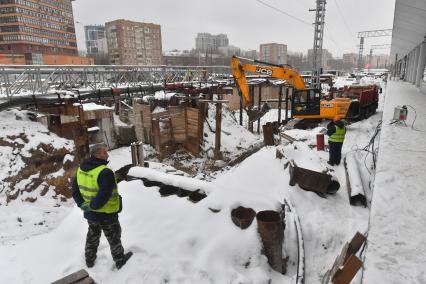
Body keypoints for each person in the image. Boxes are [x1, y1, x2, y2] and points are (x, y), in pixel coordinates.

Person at [72, 144, 133, 269]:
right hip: (107, 213)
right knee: (114, 236)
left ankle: (89, 259)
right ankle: (120, 260)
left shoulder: (81, 169)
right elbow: (104, 195)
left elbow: (75, 190)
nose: (108, 154)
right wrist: (93, 206)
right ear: (97, 155)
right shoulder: (105, 172)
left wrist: (83, 205)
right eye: (105, 152)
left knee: (93, 235)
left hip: (91, 213)